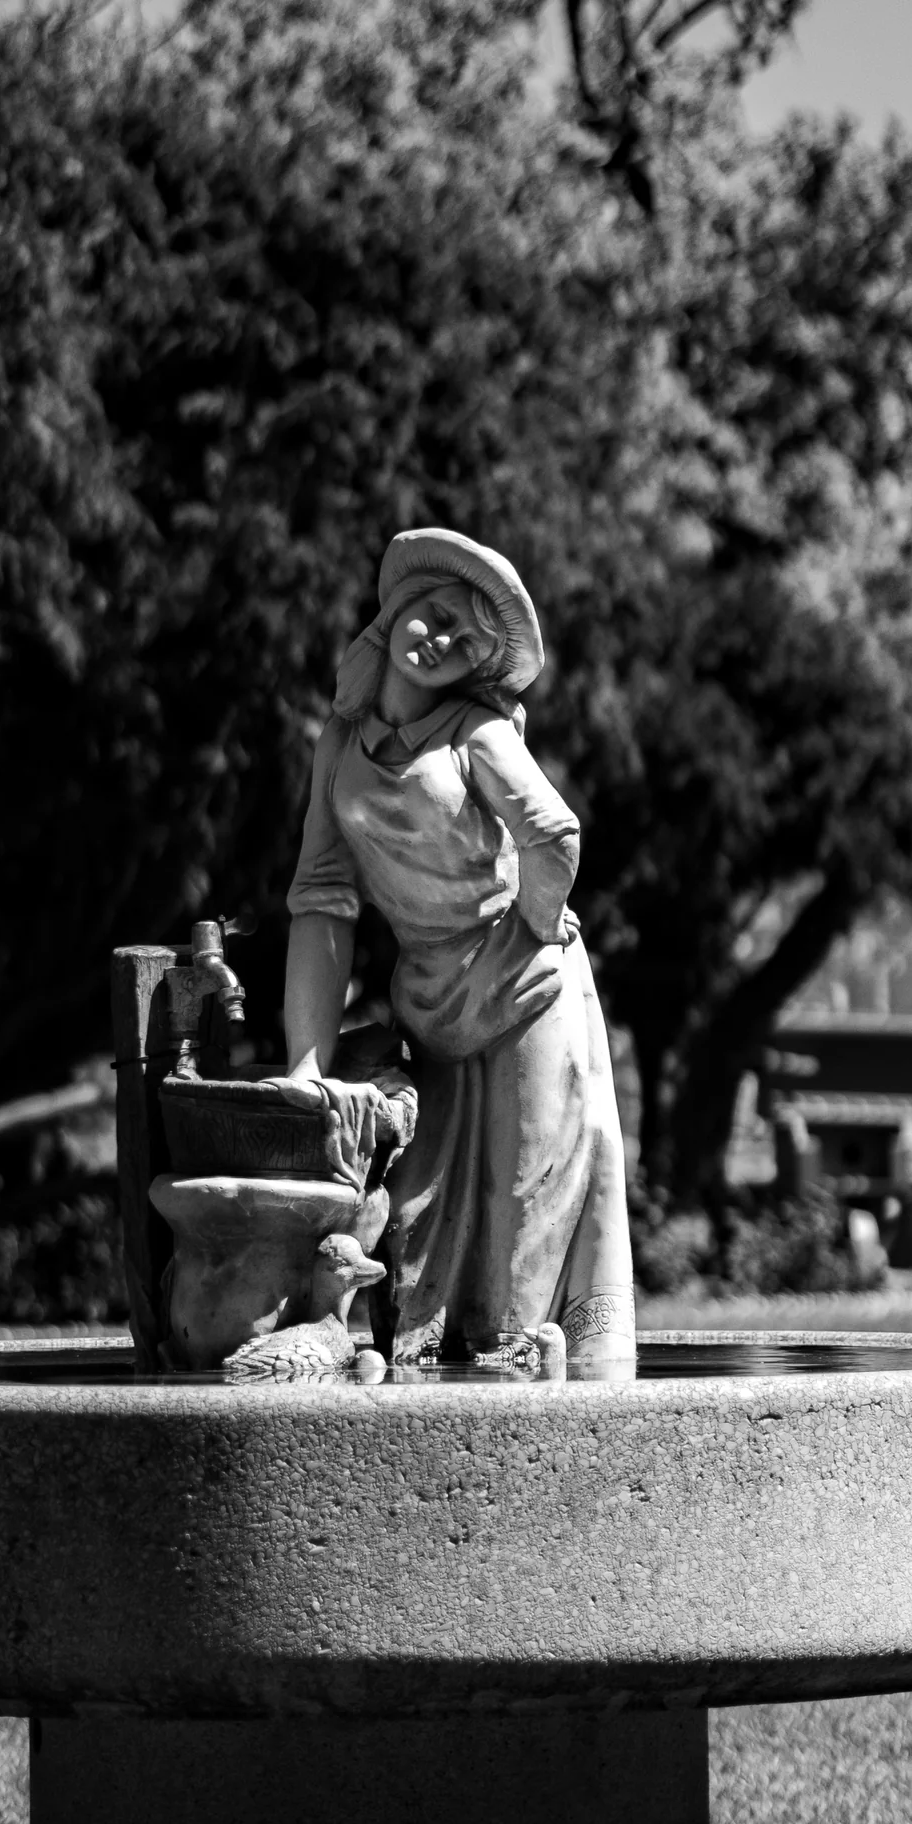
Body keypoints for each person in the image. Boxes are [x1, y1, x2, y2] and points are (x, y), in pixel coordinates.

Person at [284, 527, 634, 1367]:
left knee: (523, 1228)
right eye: (434, 614)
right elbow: (323, 903)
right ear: (397, 607)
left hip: (527, 992)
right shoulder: (341, 744)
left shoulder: (474, 731)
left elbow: (552, 832)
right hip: (431, 1002)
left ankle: (532, 1408)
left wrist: (534, 924)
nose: (439, 639)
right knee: (417, 1229)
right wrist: (308, 1064)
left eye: (467, 639)